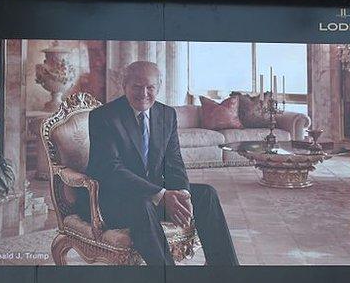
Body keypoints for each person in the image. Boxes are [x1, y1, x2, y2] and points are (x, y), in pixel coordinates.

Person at [87, 60, 238, 266]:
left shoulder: (166, 114)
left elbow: (174, 161)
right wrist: (161, 194)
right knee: (143, 204)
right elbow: (110, 169)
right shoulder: (104, 116)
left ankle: (227, 271)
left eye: (150, 87)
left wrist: (181, 194)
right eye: (137, 87)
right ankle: (168, 279)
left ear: (158, 87)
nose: (144, 93)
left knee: (206, 194)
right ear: (124, 86)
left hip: (155, 197)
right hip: (115, 201)